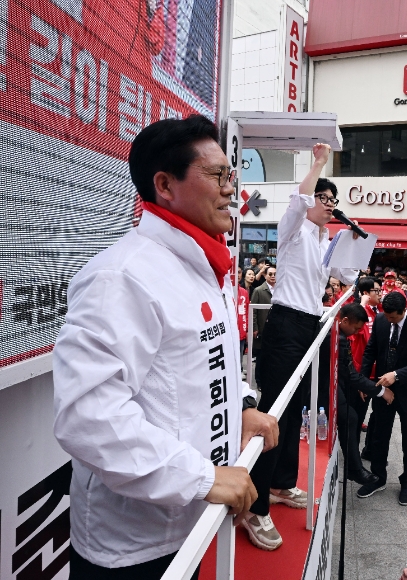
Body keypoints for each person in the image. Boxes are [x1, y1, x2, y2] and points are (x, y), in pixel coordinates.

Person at [53, 115, 278, 577]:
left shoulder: (202, 266)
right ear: (165, 185)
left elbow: (205, 366)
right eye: (217, 175)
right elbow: (88, 416)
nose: (231, 189)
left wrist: (242, 408)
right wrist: (202, 478)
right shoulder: (121, 276)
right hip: (131, 549)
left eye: (230, 174)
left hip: (189, 525)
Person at [247, 144, 359, 550]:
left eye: (333, 201)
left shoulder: (325, 239)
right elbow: (298, 200)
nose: (330, 206)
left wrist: (355, 240)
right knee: (273, 412)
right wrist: (317, 164)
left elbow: (346, 275)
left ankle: (279, 484)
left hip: (310, 325)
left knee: (295, 411)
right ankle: (255, 508)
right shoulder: (293, 229)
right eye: (324, 199)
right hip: (285, 325)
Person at [358, 292, 407, 506]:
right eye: (386, 316)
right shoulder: (381, 319)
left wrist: (397, 375)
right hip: (382, 388)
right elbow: (370, 350)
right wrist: (364, 380)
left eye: (393, 318)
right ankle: (378, 477)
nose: (388, 320)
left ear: (403, 310)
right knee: (379, 435)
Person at [335, 303, 388, 486]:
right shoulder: (340, 338)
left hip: (336, 382)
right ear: (345, 320)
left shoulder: (339, 332)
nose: (356, 332)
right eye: (356, 328)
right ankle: (355, 469)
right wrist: (381, 391)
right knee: (349, 418)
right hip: (322, 386)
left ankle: (354, 467)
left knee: (351, 417)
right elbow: (351, 375)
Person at [250, 265, 275, 342]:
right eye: (270, 274)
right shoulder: (258, 290)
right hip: (262, 328)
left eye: (275, 274)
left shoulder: (281, 290)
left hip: (276, 328)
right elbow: (253, 311)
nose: (273, 276)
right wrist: (254, 328)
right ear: (265, 276)